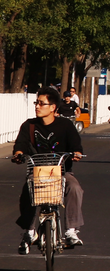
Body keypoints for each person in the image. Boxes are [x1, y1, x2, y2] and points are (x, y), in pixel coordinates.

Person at [12, 86, 84, 254]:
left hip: (61, 172)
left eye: (41, 103)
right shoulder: (29, 125)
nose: (37, 106)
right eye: (36, 103)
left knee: (74, 187)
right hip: (37, 173)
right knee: (28, 191)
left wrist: (77, 153)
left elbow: (76, 145)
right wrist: (18, 154)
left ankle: (71, 230)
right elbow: (20, 145)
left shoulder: (66, 125)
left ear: (53, 107)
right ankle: (30, 231)